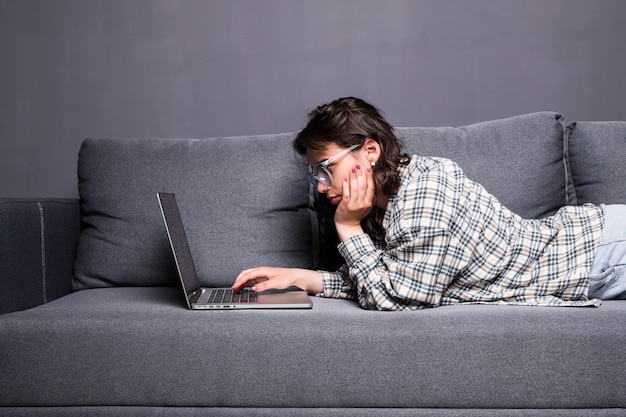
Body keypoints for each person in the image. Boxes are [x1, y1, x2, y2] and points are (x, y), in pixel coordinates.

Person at [233, 97, 626, 310]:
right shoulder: (378, 204)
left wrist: (348, 228)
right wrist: (305, 278)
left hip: (602, 252)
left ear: (369, 151)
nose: (320, 186)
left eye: (325, 169)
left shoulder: (425, 194)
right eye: (314, 175)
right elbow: (384, 278)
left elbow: (400, 298)